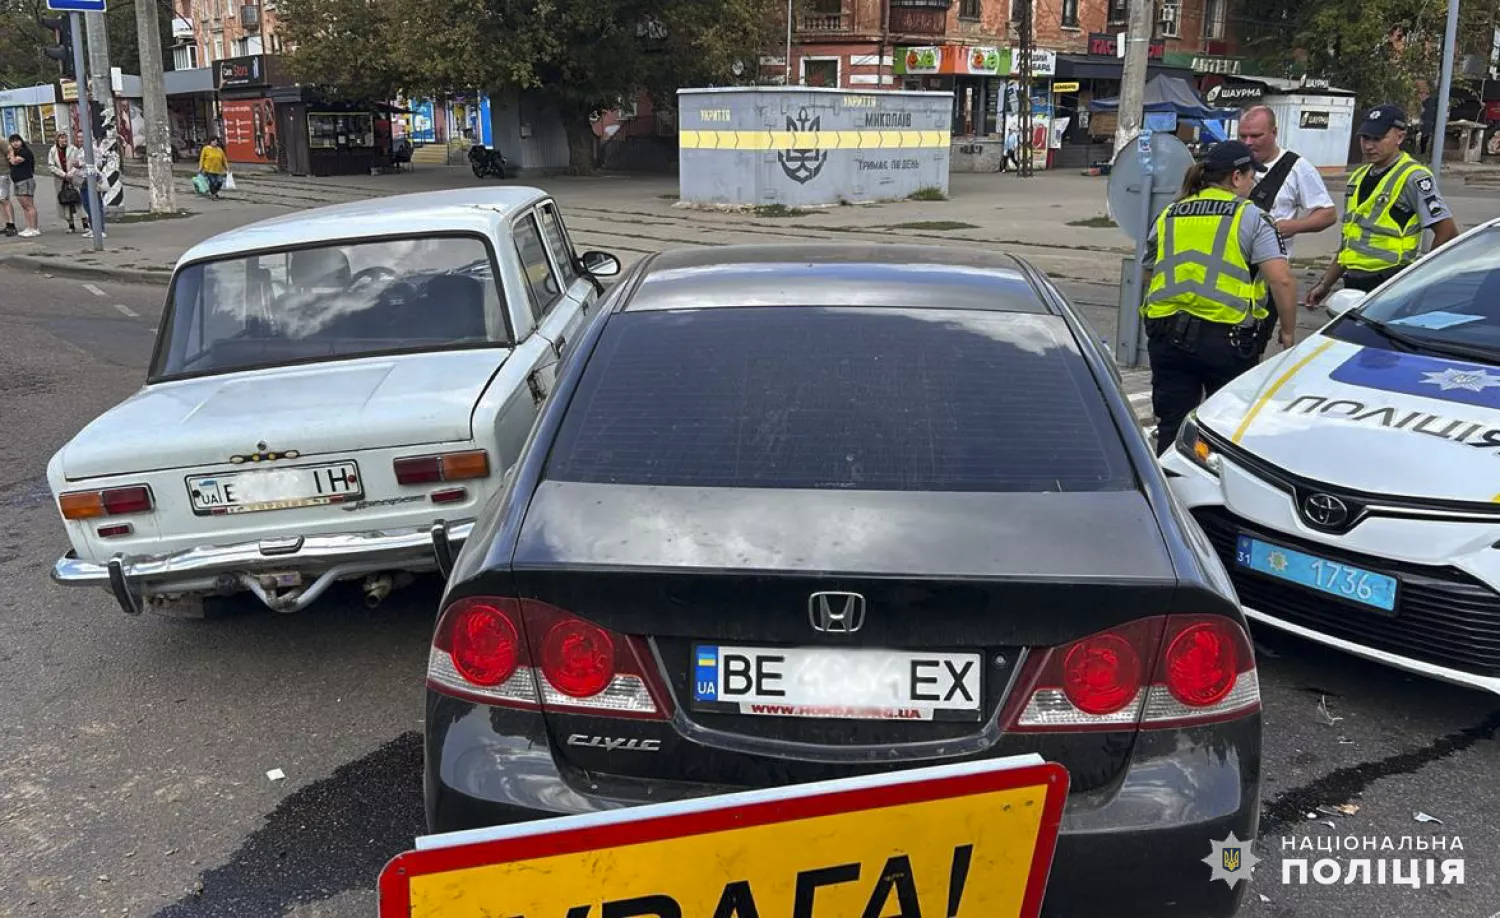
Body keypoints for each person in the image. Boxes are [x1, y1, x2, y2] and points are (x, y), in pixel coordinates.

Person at [1141, 140, 1299, 455]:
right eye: (1252, 175)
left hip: (1166, 335)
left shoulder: (1171, 213)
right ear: (1237, 177)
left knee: (1172, 425)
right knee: (1225, 430)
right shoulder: (1251, 216)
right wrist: (1288, 331)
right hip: (1224, 339)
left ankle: (1169, 495)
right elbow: (1280, 279)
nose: (1253, 182)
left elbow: (1148, 272)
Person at [1306, 104, 1459, 307]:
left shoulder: (1413, 177)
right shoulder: (1358, 178)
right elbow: (1349, 243)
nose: (1369, 146)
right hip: (1353, 283)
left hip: (1391, 283)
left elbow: (1447, 232)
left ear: (1400, 137)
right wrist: (1325, 284)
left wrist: (1420, 281)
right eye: (1365, 138)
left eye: (1377, 139)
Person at [1236, 105, 1337, 256]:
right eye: (1243, 136)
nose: (1248, 142)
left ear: (1274, 132)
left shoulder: (1297, 167)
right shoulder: (1231, 162)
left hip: (1270, 267)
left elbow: (1328, 214)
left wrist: (1294, 226)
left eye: (1256, 136)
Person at [47, 133, 87, 234]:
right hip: (60, 179)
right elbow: (51, 166)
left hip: (74, 177)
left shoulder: (73, 149)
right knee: (65, 200)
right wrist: (63, 174)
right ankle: (71, 225)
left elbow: (78, 162)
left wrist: (70, 173)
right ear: (57, 139)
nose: (64, 139)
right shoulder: (52, 151)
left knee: (78, 199)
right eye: (62, 138)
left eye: (65, 137)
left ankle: (85, 224)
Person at [5, 134, 39, 237]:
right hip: (18, 181)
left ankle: (34, 228)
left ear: (21, 141)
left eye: (17, 141)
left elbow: (14, 161)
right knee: (24, 206)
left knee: (29, 205)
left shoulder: (25, 152)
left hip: (25, 181)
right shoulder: (16, 153)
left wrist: (10, 153)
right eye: (12, 141)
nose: (15, 143)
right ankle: (29, 227)